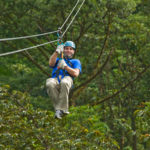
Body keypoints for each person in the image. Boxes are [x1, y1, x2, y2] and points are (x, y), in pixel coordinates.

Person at [46, 41, 82, 119]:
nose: (68, 50)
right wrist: (57, 52)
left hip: (67, 79)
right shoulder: (58, 60)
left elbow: (76, 73)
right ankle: (59, 110)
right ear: (63, 50)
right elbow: (51, 63)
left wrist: (65, 66)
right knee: (49, 82)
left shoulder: (75, 61)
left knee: (64, 82)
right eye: (66, 49)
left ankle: (62, 109)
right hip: (56, 80)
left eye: (70, 49)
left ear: (73, 51)